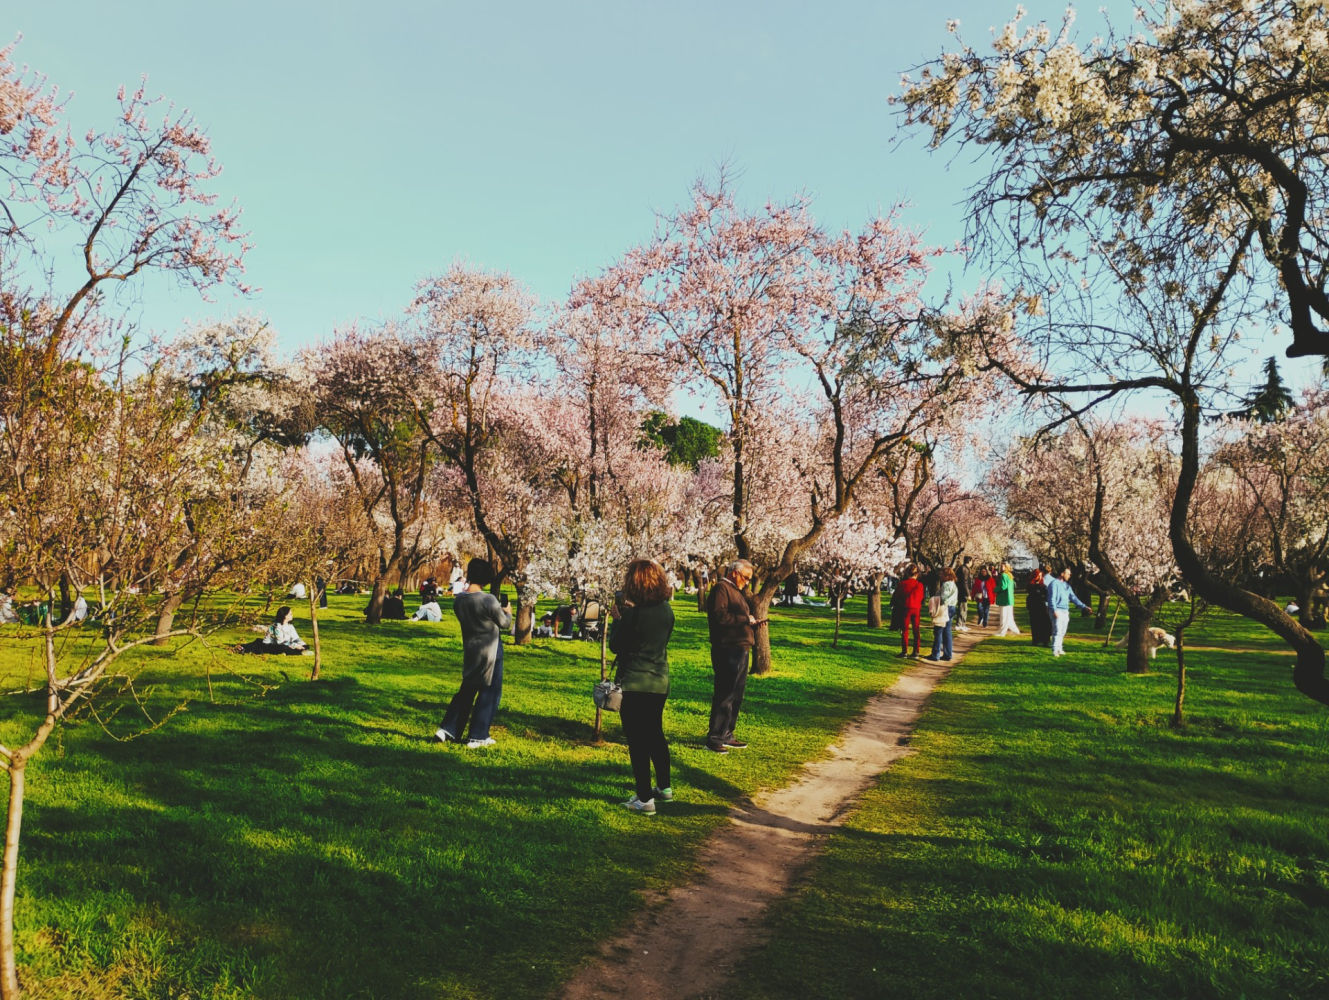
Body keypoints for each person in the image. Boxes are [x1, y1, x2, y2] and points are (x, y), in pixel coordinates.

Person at [609, 559, 676, 815]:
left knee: (637, 741)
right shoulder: (666, 610)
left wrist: (618, 619)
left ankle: (644, 798)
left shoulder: (633, 615)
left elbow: (617, 645)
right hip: (659, 681)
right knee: (655, 734)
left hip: (635, 682)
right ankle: (665, 787)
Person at [436, 559, 512, 748]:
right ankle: (478, 735)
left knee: (467, 690)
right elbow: (505, 624)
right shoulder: (488, 600)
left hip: (471, 650)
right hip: (491, 650)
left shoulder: (459, 600)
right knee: (490, 690)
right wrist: (508, 611)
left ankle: (447, 729)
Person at [705, 558, 760, 753]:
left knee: (736, 693)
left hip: (740, 647)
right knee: (725, 693)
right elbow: (720, 616)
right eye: (745, 577)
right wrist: (746, 619)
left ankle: (727, 732)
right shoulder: (722, 588)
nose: (747, 582)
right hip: (727, 648)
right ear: (735, 573)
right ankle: (715, 737)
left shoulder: (735, 591)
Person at [1046, 567, 1092, 657]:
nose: (1069, 575)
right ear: (1062, 574)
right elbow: (1051, 598)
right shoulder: (1054, 584)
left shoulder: (1067, 586)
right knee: (1057, 630)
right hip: (1057, 610)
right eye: (1068, 573)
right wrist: (1053, 610)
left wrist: (1084, 606)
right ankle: (1055, 650)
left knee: (1063, 631)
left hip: (1065, 610)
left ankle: (1059, 648)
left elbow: (1073, 597)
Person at [925, 567, 958, 661]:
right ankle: (948, 654)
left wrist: (935, 599)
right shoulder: (953, 584)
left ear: (946, 575)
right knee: (947, 631)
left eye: (941, 574)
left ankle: (935, 654)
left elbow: (943, 598)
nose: (940, 576)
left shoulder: (947, 584)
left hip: (945, 608)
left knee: (939, 630)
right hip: (952, 607)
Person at [897, 564, 925, 657]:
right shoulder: (919, 585)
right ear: (917, 574)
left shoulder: (902, 584)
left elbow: (898, 596)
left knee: (905, 630)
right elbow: (921, 598)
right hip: (916, 608)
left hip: (905, 608)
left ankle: (904, 651)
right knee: (916, 630)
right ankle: (916, 651)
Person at [1026, 566, 1052, 647]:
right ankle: (1036, 640)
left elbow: (1046, 595)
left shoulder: (1043, 585)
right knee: (1035, 624)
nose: (1040, 577)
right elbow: (1032, 592)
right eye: (1039, 575)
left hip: (1042, 606)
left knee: (1044, 623)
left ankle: (1045, 640)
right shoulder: (1031, 585)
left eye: (1040, 575)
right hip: (1034, 606)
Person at [993, 562, 1020, 636]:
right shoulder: (1010, 575)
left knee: (1004, 616)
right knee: (1010, 617)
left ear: (1006, 567)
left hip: (1004, 598)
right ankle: (1015, 631)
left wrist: (995, 589)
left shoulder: (1004, 575)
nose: (1001, 568)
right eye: (1001, 566)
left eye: (1003, 566)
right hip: (1009, 598)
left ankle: (1002, 632)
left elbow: (1003, 586)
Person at [954, 557, 973, 633]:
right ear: (970, 561)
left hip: (961, 591)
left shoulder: (962, 568)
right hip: (962, 592)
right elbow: (964, 582)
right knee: (963, 608)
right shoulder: (964, 569)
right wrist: (968, 593)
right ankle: (960, 625)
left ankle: (962, 624)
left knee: (963, 608)